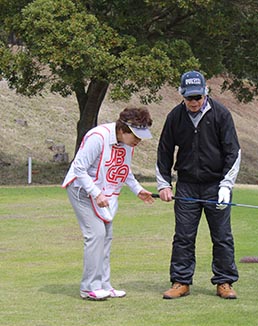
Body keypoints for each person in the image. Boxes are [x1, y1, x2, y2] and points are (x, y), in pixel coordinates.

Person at [156, 70, 241, 300]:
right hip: (187, 186)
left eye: (198, 97)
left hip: (216, 185)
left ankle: (224, 281)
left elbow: (233, 152)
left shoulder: (221, 114)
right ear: (181, 94)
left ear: (206, 93)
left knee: (222, 236)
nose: (194, 102)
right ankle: (180, 281)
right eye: (189, 98)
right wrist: (164, 184)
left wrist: (226, 185)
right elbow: (164, 151)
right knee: (183, 236)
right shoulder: (175, 116)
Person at [63, 107, 155, 300]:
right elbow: (79, 168)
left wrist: (138, 190)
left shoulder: (127, 145)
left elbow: (123, 170)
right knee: (96, 235)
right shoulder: (97, 137)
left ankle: (104, 285)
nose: (138, 141)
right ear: (123, 130)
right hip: (81, 189)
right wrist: (96, 193)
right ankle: (89, 287)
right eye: (136, 136)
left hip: (102, 192)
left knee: (106, 236)